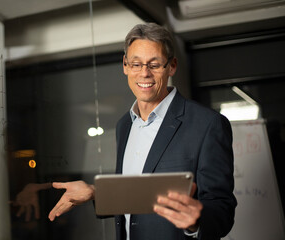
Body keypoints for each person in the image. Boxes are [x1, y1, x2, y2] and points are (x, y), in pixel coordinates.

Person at [48, 23, 237, 240]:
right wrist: (95, 192)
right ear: (125, 66)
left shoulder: (208, 124)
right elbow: (134, 196)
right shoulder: (124, 126)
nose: (144, 73)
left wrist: (196, 222)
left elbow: (222, 209)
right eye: (136, 64)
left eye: (154, 65)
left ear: (172, 66)